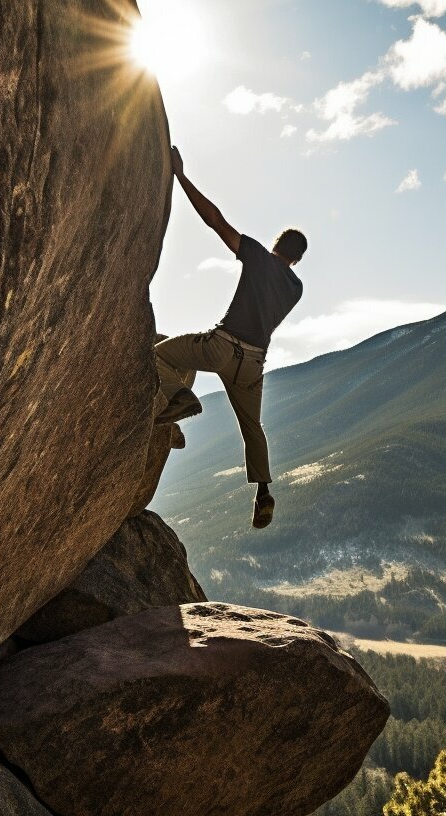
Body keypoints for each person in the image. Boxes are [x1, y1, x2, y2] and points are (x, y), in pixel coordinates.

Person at [155, 145, 306, 530]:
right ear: (297, 259)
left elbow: (215, 221)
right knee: (253, 429)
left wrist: (181, 177)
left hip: (222, 347)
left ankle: (176, 396)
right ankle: (263, 491)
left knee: (158, 355)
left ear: (275, 244)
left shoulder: (258, 256)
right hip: (253, 366)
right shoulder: (295, 288)